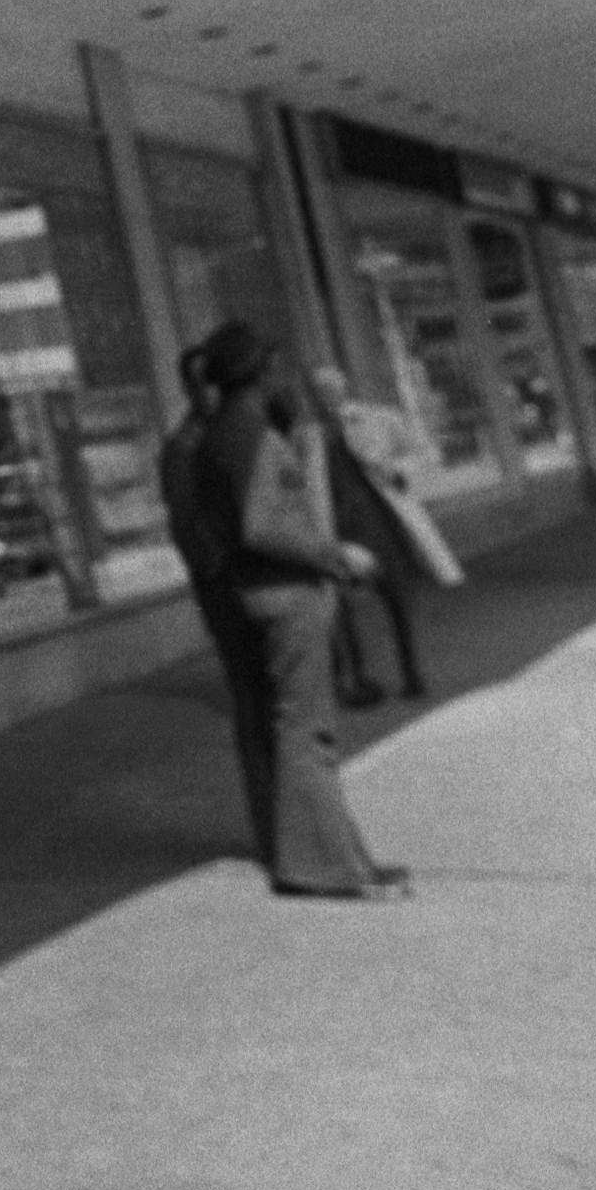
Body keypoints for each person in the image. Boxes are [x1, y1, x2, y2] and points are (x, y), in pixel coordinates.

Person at [181, 322, 406, 901]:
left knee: (273, 727)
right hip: (285, 593)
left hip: (243, 594)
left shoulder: (210, 438)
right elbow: (266, 525)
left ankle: (304, 852)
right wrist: (337, 556)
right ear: (260, 371)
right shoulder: (252, 435)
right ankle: (328, 866)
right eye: (275, 366)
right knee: (306, 731)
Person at [159, 342, 277, 862]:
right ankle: (274, 829)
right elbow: (189, 527)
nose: (210, 392)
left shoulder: (230, 432)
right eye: (200, 383)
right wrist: (230, 578)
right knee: (256, 706)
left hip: (255, 582)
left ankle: (292, 826)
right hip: (232, 592)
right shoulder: (186, 446)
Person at [316, 365, 451, 704]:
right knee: (343, 607)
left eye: (331, 389)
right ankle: (357, 677)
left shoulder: (379, 419)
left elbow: (418, 456)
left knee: (397, 597)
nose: (326, 397)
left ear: (345, 388)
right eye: (320, 391)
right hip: (341, 527)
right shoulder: (312, 436)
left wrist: (396, 471)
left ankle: (411, 671)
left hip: (378, 520)